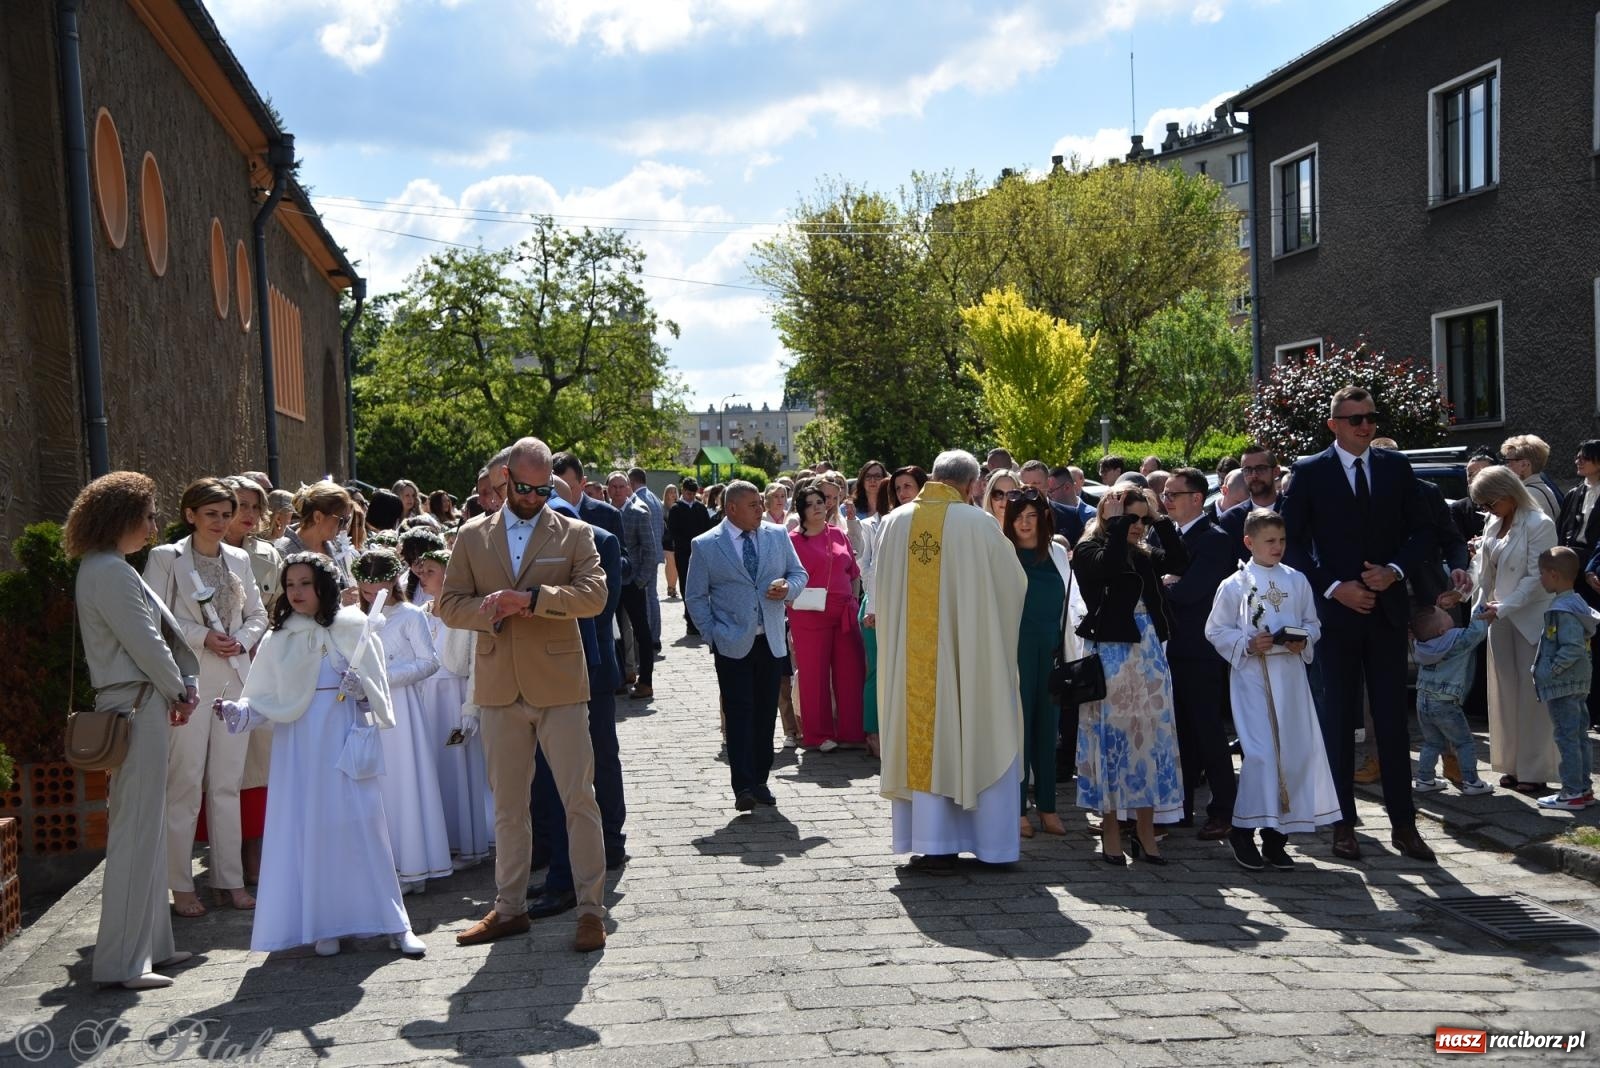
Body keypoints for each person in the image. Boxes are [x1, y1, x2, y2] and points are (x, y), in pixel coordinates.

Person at [439, 437, 611, 952]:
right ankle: (509, 908)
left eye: (544, 489)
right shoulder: (471, 536)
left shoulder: (575, 532)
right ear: (504, 480)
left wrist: (535, 599)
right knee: (509, 808)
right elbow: (449, 605)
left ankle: (590, 910)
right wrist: (490, 609)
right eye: (525, 488)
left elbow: (596, 596)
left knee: (579, 799)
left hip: (559, 685)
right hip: (497, 686)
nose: (535, 497)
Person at [213, 553, 425, 958]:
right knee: (314, 831)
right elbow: (264, 698)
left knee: (362, 828)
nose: (296, 593)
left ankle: (396, 924)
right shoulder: (280, 639)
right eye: (290, 585)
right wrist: (238, 710)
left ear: (323, 586)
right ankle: (326, 922)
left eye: (305, 584)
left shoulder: (355, 627)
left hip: (344, 742)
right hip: (299, 750)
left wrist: (361, 685)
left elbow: (376, 692)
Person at [1280, 386, 1437, 863]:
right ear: (1334, 425)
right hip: (1336, 613)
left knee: (1392, 721)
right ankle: (1341, 824)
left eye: (1370, 418)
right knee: (1339, 720)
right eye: (1355, 420)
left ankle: (1404, 825)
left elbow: (1424, 529)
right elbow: (1292, 543)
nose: (1365, 426)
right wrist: (1332, 587)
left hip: (1386, 611)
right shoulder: (1310, 471)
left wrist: (1395, 569)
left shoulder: (1394, 466)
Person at [68, 472, 201, 989]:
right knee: (135, 834)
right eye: (147, 515)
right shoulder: (110, 572)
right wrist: (180, 690)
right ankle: (125, 964)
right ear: (122, 517)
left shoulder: (103, 567)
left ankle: (151, 949)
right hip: (137, 704)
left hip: (135, 702)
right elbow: (149, 644)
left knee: (143, 829)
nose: (152, 525)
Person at [875, 450, 1027, 872]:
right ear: (972, 485)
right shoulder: (979, 525)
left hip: (912, 668)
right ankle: (991, 846)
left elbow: (880, 589)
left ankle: (932, 841)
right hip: (970, 660)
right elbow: (1014, 587)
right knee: (977, 726)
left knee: (923, 733)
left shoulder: (894, 522)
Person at [144, 478, 268, 917]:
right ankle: (180, 886)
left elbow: (258, 612)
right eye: (210, 513)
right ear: (190, 515)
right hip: (188, 679)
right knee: (185, 781)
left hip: (235, 677)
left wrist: (241, 638)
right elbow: (156, 617)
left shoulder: (239, 557)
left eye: (225, 513)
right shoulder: (166, 556)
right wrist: (204, 637)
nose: (220, 521)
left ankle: (229, 880)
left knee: (228, 783)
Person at [1205, 510, 1340, 870]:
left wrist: (1304, 639)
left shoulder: (1296, 580)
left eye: (1281, 540)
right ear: (1249, 542)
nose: (1277, 547)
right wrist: (1249, 643)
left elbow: (1313, 623)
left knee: (1293, 753)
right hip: (1254, 677)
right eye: (1269, 541)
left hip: (1291, 678)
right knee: (1263, 755)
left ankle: (1277, 837)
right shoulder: (1234, 585)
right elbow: (1215, 630)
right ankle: (1242, 829)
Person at [1071, 485, 1189, 864]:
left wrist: (1161, 522)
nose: (1137, 526)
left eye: (1142, 519)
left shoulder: (1144, 552)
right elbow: (1108, 566)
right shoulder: (1089, 550)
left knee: (1152, 737)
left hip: (1149, 653)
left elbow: (1180, 562)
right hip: (1110, 652)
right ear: (1109, 515)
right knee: (1112, 738)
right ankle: (1110, 830)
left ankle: (1145, 830)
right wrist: (1119, 524)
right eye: (1130, 518)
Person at [529, 473, 629, 914]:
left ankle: (610, 841)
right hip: (541, 672)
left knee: (599, 758)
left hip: (592, 666)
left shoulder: (600, 539)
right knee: (549, 771)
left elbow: (603, 604)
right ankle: (557, 857)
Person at [685, 481, 808, 809]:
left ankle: (761, 780)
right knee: (739, 712)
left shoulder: (777, 535)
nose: (760, 510)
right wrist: (713, 635)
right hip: (731, 643)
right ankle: (742, 786)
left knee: (766, 712)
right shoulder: (706, 545)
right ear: (732, 509)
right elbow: (695, 596)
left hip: (770, 639)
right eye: (753, 504)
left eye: (760, 503)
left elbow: (799, 574)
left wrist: (788, 588)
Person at [353, 548, 451, 894]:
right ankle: (379, 861)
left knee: (404, 780)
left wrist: (382, 676)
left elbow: (429, 662)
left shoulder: (410, 615)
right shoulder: (353, 617)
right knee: (373, 784)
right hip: (364, 708)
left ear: (393, 581)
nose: (370, 597)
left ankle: (412, 863)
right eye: (365, 591)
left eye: (376, 589)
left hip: (402, 708)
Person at [1157, 468, 1239, 839]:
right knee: (1181, 735)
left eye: (1174, 494)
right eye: (1165, 494)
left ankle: (1224, 809)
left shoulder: (1215, 539)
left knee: (1208, 732)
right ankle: (1182, 808)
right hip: (1172, 649)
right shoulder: (1170, 536)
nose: (1167, 500)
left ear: (1196, 498)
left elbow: (1189, 593)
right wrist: (1167, 585)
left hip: (1201, 651)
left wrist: (1164, 588)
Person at [1471, 465, 1560, 794]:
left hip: (1529, 618)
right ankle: (1510, 764)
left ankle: (1535, 771)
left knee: (1532, 696)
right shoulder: (1493, 521)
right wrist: (1477, 599)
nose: (1486, 510)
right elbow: (1486, 571)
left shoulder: (1540, 523)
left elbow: (1539, 577)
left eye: (1490, 503)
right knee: (1504, 692)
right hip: (1498, 617)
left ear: (1508, 495)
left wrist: (1503, 607)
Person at [1001, 487, 1083, 838]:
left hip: (1051, 652)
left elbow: (1073, 605)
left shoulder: (1058, 554)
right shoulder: (1002, 555)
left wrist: (1072, 651)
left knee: (1048, 733)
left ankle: (1048, 808)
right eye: (1018, 516)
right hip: (1014, 652)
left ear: (1042, 519)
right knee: (1019, 731)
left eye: (1031, 516)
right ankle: (1017, 810)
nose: (1024, 523)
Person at [411, 548, 492, 869]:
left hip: (454, 695)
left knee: (459, 769)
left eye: (430, 571)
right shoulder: (421, 612)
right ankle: (441, 839)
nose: (423, 578)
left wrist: (471, 709)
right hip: (426, 698)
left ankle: (468, 844)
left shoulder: (468, 613)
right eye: (421, 572)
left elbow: (476, 665)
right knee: (434, 769)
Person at [788, 484, 867, 752]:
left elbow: (853, 572)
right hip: (808, 613)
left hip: (844, 609)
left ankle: (851, 732)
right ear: (801, 510)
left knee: (851, 671)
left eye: (820, 501)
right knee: (814, 675)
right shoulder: (793, 540)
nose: (817, 506)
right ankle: (818, 735)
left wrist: (854, 602)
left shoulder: (839, 535)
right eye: (810, 503)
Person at [1533, 547, 1599, 809]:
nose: (1540, 579)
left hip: (1564, 684)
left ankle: (1571, 793)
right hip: (1580, 681)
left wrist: (1551, 671)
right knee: (1578, 735)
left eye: (1541, 574)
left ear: (1553, 574)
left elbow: (1570, 647)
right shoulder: (1577, 602)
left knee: (1567, 737)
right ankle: (1583, 789)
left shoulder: (1561, 609)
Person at [1409, 600, 1492, 795]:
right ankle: (1471, 782)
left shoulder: (1421, 643)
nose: (1450, 616)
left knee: (1432, 743)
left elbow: (1425, 626)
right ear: (1441, 631)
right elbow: (1476, 632)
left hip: (1423, 701)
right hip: (1445, 703)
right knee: (1464, 742)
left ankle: (1425, 779)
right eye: (1445, 616)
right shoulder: (1455, 642)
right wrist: (1482, 608)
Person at [1556, 439, 1600, 728]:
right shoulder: (1574, 492)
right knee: (1574, 639)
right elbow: (1562, 532)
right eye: (1578, 455)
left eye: (1585, 457)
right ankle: (1581, 707)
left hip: (1595, 573)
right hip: (1573, 569)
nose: (1578, 460)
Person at [608, 470, 660, 701]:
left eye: (622, 486)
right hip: (611, 583)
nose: (618, 491)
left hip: (633, 583)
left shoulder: (638, 512)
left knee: (642, 632)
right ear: (607, 489)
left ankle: (646, 681)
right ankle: (621, 675)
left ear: (629, 487)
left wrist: (641, 581)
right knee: (616, 632)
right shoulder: (605, 513)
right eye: (613, 487)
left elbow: (650, 550)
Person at [276, 481, 358, 600]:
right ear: (318, 517)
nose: (345, 527)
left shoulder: (337, 547)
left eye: (348, 520)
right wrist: (338, 600)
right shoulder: (282, 551)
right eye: (342, 520)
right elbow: (283, 603)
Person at [668, 478, 715, 635]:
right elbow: (674, 532)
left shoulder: (700, 508)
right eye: (688, 493)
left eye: (693, 494)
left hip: (700, 554)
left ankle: (702, 619)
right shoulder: (676, 509)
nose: (690, 497)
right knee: (686, 586)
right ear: (683, 491)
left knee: (702, 586)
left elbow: (707, 530)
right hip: (683, 554)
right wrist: (688, 545)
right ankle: (690, 621)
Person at [1218, 444, 1281, 556]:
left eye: (1260, 469)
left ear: (1276, 471)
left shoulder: (1295, 509)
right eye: (1248, 470)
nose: (1254, 475)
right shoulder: (1231, 520)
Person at [1500, 435, 1561, 519]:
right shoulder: (1544, 488)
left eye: (1508, 461)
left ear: (1524, 465)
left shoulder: (1525, 495)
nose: (1506, 466)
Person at [661, 482, 681, 599]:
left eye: (675, 492)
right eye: (670, 492)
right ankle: (671, 587)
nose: (673, 494)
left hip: (677, 539)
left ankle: (673, 587)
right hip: (666, 539)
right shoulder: (662, 507)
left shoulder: (679, 506)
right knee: (670, 562)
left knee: (675, 564)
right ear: (666, 493)